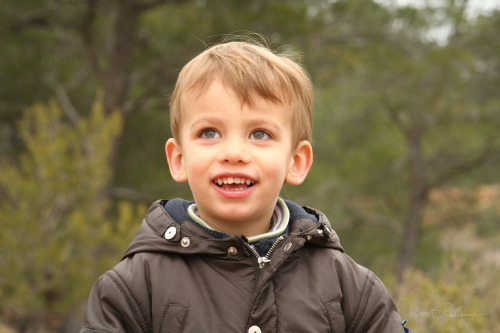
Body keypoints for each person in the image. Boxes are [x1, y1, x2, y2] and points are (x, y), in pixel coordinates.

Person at [80, 38, 406, 332]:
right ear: (178, 158)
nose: (233, 153)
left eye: (259, 134)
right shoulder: (135, 286)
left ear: (296, 161)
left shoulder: (348, 287)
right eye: (209, 133)